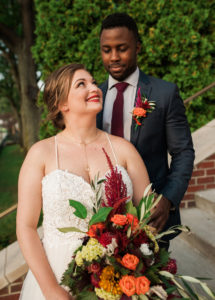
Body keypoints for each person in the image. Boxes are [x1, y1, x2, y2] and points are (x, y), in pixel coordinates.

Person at [16, 63, 151, 300]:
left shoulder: (124, 149)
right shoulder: (41, 154)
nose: (94, 87)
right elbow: (26, 227)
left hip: (118, 277)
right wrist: (51, 289)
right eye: (82, 84)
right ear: (62, 104)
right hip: (57, 276)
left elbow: (147, 216)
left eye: (92, 81)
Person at [97, 13, 195, 246]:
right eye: (106, 50)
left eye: (122, 48)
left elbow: (183, 152)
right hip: (103, 219)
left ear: (137, 47)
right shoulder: (94, 97)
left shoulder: (164, 94)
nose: (114, 57)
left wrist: (168, 199)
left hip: (151, 217)